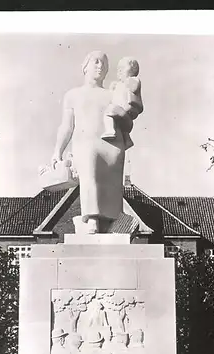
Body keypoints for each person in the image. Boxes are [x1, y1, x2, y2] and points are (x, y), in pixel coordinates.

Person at [51, 51, 133, 234]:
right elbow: (66, 126)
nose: (100, 66)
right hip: (86, 143)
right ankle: (92, 218)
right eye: (96, 62)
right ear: (85, 66)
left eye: (104, 63)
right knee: (90, 176)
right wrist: (58, 151)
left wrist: (121, 113)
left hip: (111, 144)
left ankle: (109, 222)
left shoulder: (112, 94)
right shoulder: (72, 95)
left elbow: (128, 122)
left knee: (111, 185)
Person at [101, 57, 143, 150]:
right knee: (123, 126)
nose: (119, 71)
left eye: (123, 68)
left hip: (127, 108)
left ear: (133, 70)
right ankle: (127, 139)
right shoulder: (120, 84)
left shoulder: (133, 80)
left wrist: (125, 82)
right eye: (118, 69)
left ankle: (110, 131)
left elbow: (134, 87)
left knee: (108, 112)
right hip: (124, 111)